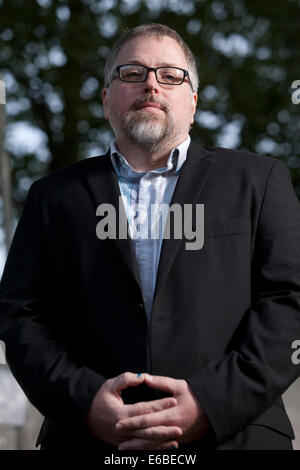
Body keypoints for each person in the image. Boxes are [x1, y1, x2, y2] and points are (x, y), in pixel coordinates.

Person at [0, 23, 300, 452]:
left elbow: (291, 301)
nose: (151, 85)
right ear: (107, 100)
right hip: (86, 440)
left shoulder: (259, 181)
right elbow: (20, 315)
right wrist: (84, 402)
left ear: (192, 102)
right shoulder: (52, 197)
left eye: (170, 75)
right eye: (132, 73)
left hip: (238, 436)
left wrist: (209, 402)